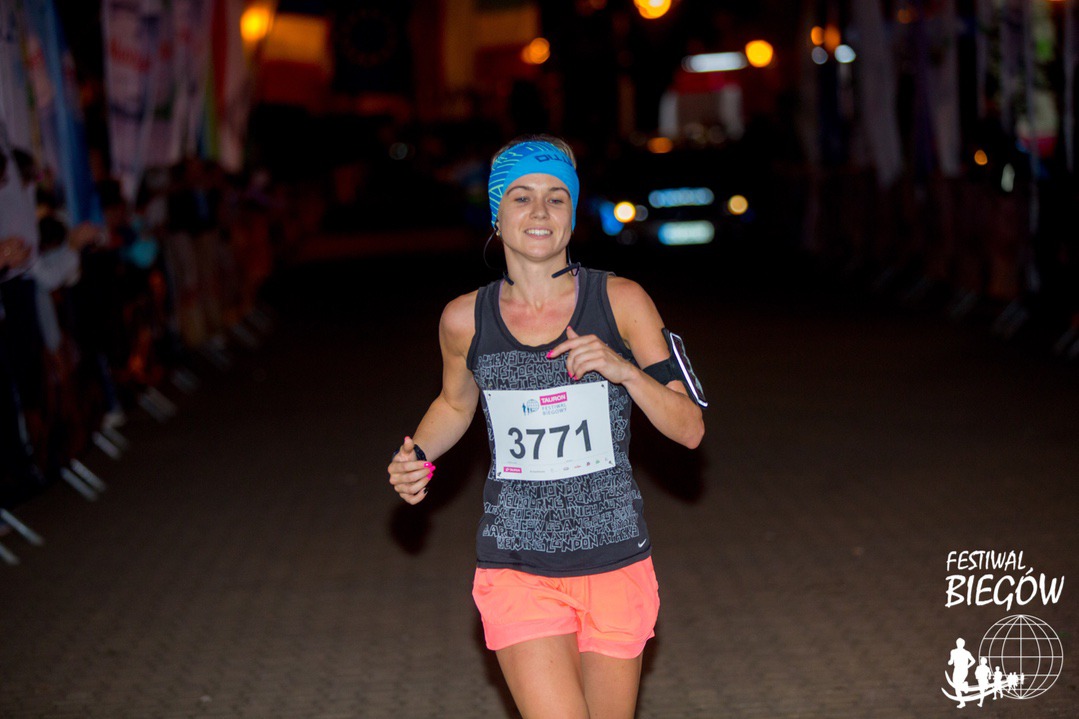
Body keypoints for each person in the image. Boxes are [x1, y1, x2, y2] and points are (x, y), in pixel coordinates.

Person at [387, 135, 705, 718]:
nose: (540, 211)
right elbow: (454, 405)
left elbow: (690, 430)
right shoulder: (464, 319)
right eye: (522, 197)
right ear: (496, 214)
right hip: (517, 563)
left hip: (615, 558)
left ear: (572, 214)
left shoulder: (621, 301)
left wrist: (625, 372)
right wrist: (419, 455)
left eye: (557, 198)